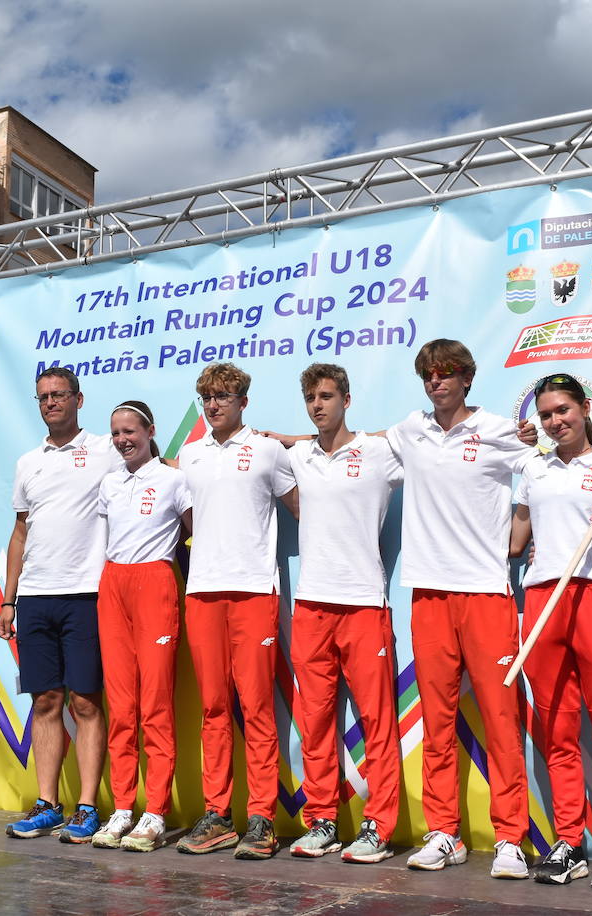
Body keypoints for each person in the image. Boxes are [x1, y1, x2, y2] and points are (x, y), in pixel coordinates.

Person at [386, 340, 535, 879]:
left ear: (467, 378)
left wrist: (521, 534)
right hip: (428, 593)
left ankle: (510, 839)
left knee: (501, 720)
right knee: (437, 720)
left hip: (487, 593)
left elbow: (546, 476)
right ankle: (444, 832)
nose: (436, 381)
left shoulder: (499, 431)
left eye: (446, 372)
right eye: (428, 373)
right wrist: (272, 439)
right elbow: (349, 446)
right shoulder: (411, 430)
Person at [508, 373, 592, 889]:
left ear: (586, 408)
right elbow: (515, 542)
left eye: (563, 410)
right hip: (542, 598)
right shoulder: (532, 470)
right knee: (557, 729)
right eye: (545, 414)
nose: (555, 420)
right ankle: (569, 841)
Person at [277, 364, 403, 864]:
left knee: (378, 722)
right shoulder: (298, 455)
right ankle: (322, 820)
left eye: (326, 396)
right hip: (310, 605)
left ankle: (379, 826)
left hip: (365, 604)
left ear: (346, 399)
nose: (318, 404)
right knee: (315, 721)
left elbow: (437, 450)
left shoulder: (379, 452)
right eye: (311, 397)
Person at [175, 362, 298, 860]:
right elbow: (187, 518)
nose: (214, 404)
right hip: (202, 592)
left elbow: (304, 510)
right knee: (213, 709)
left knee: (257, 707)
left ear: (243, 401)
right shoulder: (189, 456)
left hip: (253, 593)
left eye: (224, 396)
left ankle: (263, 817)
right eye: (207, 397)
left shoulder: (269, 451)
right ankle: (218, 814)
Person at [0, 366, 122, 843]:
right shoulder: (28, 462)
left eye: (59, 395)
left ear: (78, 399)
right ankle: (48, 804)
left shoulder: (105, 450)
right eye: (43, 397)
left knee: (87, 702)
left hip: (87, 594)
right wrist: (9, 599)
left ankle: (88, 807)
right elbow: (20, 532)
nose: (51, 402)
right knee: (45, 701)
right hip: (34, 597)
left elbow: (155, 468)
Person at [88, 401, 192, 853]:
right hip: (113, 583)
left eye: (130, 431)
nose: (122, 439)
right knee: (121, 704)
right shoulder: (109, 482)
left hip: (156, 581)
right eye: (115, 433)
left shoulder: (173, 478)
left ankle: (156, 811)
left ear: (150, 431)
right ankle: (124, 806)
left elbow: (197, 533)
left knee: (154, 703)